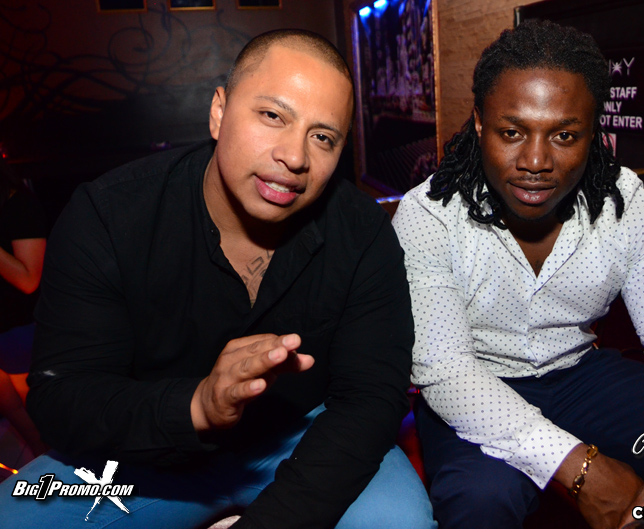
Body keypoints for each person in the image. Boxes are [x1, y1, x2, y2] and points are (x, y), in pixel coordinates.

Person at [0, 29, 434, 529]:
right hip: (143, 457)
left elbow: (370, 399)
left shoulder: (361, 232)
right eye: (272, 116)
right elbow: (62, 400)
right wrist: (198, 407)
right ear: (219, 112)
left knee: (399, 522)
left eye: (322, 137)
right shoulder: (109, 215)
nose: (295, 156)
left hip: (307, 441)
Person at [392, 19, 644, 529]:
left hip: (581, 375)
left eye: (564, 135)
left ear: (592, 132)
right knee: (482, 499)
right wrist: (584, 469)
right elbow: (447, 370)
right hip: (475, 384)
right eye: (511, 132)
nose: (535, 161)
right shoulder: (429, 215)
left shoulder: (627, 207)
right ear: (479, 123)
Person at [0, 159, 48, 458]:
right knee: (12, 409)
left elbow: (29, 280)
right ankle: (44, 464)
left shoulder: (20, 207)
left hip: (18, 329)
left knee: (38, 411)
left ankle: (67, 470)